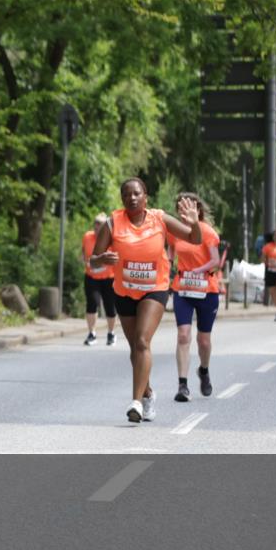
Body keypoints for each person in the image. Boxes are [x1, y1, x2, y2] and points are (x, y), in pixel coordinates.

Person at [90, 178, 201, 424]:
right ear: (122, 200)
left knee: (142, 341)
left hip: (155, 289)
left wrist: (195, 224)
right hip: (124, 292)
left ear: (145, 197)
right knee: (135, 351)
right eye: (127, 194)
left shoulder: (160, 219)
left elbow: (195, 239)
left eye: (137, 193)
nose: (132, 198)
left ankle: (136, 403)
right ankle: (148, 393)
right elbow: (93, 261)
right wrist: (102, 260)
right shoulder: (112, 223)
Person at [166, 193, 220, 402]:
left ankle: (204, 371)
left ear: (198, 210)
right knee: (183, 335)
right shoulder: (175, 231)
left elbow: (215, 260)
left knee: (203, 341)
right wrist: (168, 262)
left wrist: (199, 270)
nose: (184, 212)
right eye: (180, 208)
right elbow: (172, 248)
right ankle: (182, 385)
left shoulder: (207, 232)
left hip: (207, 290)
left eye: (190, 208)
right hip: (183, 290)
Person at [81, 213, 117, 346]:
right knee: (92, 303)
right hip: (91, 277)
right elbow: (84, 253)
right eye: (95, 222)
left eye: (100, 223)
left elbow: (116, 257)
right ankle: (92, 333)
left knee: (110, 307)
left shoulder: (111, 239)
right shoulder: (87, 236)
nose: (97, 226)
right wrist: (85, 261)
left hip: (109, 278)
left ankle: (111, 333)